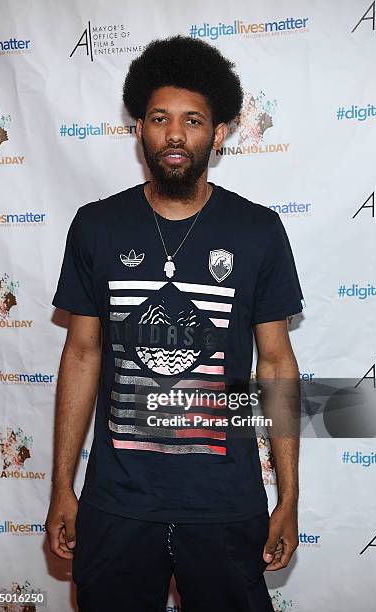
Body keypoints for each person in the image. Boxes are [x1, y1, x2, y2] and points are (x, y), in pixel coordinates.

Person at [46, 35, 304, 612]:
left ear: (218, 133)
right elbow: (82, 354)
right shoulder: (97, 226)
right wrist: (63, 486)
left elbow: (277, 363)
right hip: (116, 501)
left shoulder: (257, 231)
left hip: (224, 500)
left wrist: (287, 495)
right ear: (140, 128)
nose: (175, 134)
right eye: (160, 118)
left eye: (193, 120)